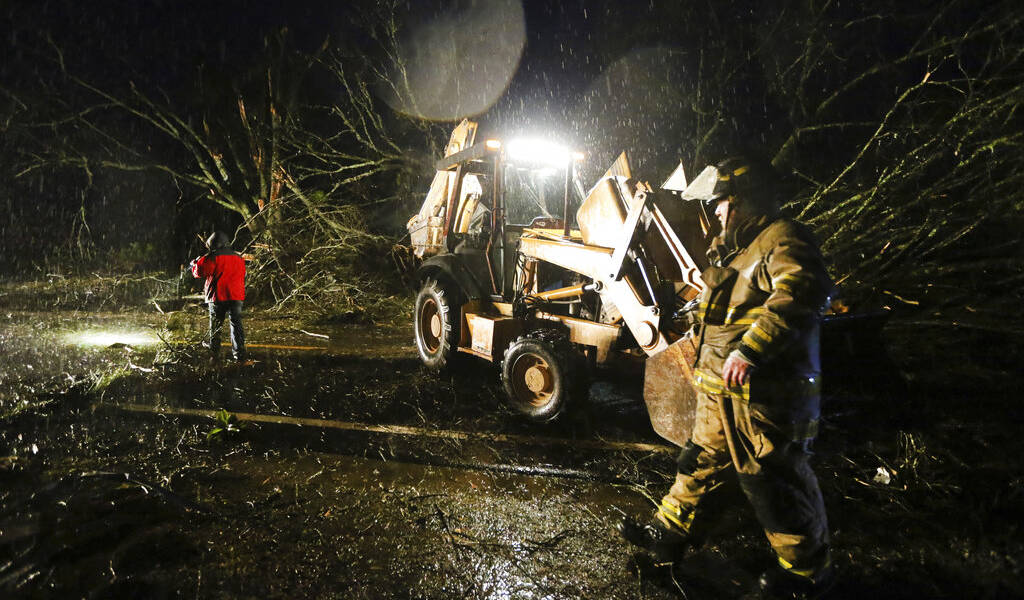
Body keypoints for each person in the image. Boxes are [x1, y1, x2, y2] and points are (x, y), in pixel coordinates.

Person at [619, 157, 835, 599]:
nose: (715, 212)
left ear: (745, 201)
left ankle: (804, 577)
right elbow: (721, 316)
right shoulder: (740, 252)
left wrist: (751, 350)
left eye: (721, 204)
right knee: (696, 465)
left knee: (774, 482)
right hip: (721, 397)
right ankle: (666, 538)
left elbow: (801, 292)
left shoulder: (784, 239)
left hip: (763, 400)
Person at [190, 230, 247, 362]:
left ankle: (214, 353)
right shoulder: (239, 258)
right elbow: (243, 275)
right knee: (236, 324)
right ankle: (239, 355)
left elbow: (200, 272)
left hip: (218, 296)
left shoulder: (212, 257)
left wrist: (194, 265)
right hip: (236, 296)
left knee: (216, 326)